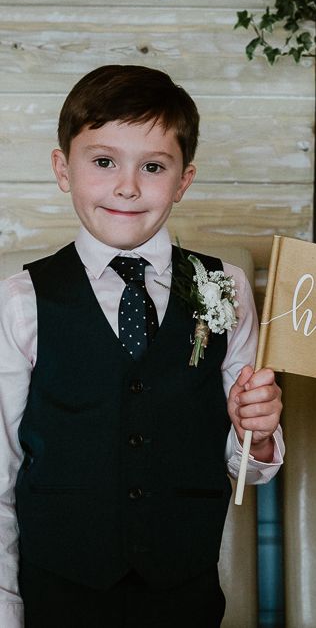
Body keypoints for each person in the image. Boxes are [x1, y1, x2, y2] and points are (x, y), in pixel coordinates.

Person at [0, 65, 284, 628]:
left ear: (183, 180)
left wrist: (261, 431)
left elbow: (247, 466)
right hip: (57, 598)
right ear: (64, 168)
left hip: (185, 597)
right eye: (104, 162)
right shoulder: (21, 300)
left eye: (153, 167)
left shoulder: (221, 288)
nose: (127, 187)